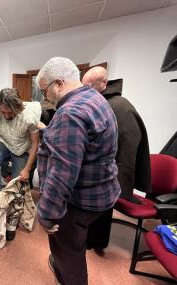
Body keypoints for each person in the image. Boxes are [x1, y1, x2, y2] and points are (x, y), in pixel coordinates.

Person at [36, 57, 121, 285]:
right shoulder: (96, 98)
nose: (45, 97)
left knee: (68, 252)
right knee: (74, 244)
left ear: (58, 83)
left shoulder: (69, 114)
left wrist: (46, 214)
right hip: (103, 192)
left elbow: (62, 173)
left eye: (44, 91)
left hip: (79, 201)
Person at [82, 66, 151, 256]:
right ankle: (91, 240)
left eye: (88, 86)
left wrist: (120, 181)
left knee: (102, 207)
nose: (84, 90)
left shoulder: (120, 107)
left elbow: (128, 146)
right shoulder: (102, 103)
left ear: (104, 84)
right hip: (100, 168)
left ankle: (96, 242)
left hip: (109, 171)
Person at [0, 88, 41, 241]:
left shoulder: (29, 117)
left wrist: (27, 169)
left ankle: (13, 220)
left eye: (10, 112)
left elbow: (35, 143)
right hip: (5, 143)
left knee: (18, 183)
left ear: (17, 108)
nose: (6, 115)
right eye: (3, 112)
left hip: (22, 148)